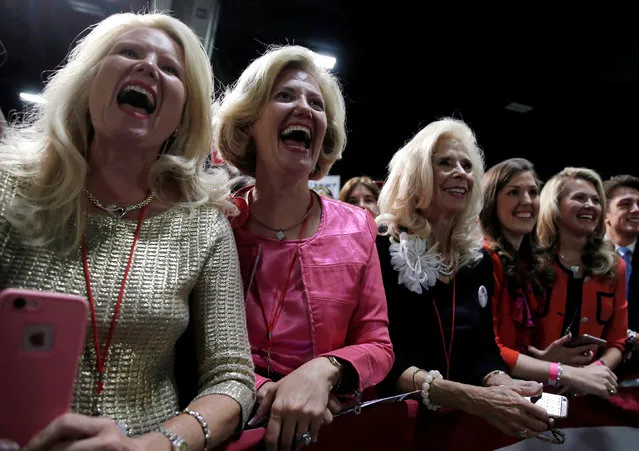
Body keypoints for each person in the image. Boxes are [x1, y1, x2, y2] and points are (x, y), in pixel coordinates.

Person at [0, 12, 254, 450]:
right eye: (129, 52)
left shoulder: (204, 223)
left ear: (183, 113)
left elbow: (232, 378)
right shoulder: (9, 188)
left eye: (170, 69)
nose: (149, 67)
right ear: (88, 81)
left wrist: (154, 445)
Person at [213, 45, 394, 450]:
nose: (304, 109)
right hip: (228, 426)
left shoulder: (357, 225)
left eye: (315, 102)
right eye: (285, 96)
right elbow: (194, 343)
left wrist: (324, 370)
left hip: (330, 431)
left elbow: (378, 345)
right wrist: (271, 392)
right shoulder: (216, 223)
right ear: (248, 124)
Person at [376, 118, 552, 441]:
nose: (461, 172)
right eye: (445, 163)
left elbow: (483, 346)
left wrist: (500, 381)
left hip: (460, 429)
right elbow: (384, 355)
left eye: (468, 165)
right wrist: (474, 398)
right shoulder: (382, 246)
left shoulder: (477, 258)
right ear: (417, 174)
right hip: (397, 427)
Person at [481, 158, 617, 398]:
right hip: (491, 395)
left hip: (521, 390)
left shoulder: (526, 261)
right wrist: (563, 371)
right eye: (514, 192)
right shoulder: (485, 258)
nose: (527, 201)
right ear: (491, 200)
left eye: (533, 192)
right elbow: (487, 348)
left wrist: (544, 360)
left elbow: (515, 347)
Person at [534, 168, 628, 393]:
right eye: (579, 197)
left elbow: (618, 341)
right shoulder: (528, 262)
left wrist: (593, 372)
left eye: (596, 200)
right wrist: (551, 368)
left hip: (588, 396)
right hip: (531, 386)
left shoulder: (615, 267)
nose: (591, 205)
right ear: (554, 206)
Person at [604, 175, 639, 366]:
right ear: (604, 214)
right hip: (588, 365)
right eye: (626, 204)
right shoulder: (581, 254)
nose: (636, 210)